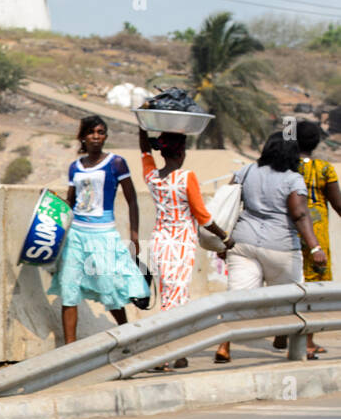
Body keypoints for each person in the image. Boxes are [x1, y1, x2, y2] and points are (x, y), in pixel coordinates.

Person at [214, 130, 327, 363]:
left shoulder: (246, 171)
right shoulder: (292, 178)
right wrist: (315, 248)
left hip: (243, 242)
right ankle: (289, 341)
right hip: (281, 247)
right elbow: (299, 214)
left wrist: (222, 240)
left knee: (237, 297)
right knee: (291, 297)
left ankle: (224, 346)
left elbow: (229, 200)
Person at [137, 127, 234, 369]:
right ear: (181, 153)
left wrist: (142, 125)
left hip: (159, 243)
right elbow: (203, 216)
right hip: (180, 245)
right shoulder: (185, 177)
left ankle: (178, 353)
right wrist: (225, 237)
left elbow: (143, 152)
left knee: (170, 296)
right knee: (175, 300)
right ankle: (163, 354)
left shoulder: (152, 177)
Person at [49, 115, 147, 344]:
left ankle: (130, 338)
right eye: (91, 132)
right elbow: (71, 203)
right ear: (83, 136)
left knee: (108, 289)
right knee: (69, 288)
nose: (96, 136)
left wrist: (134, 234)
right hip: (76, 234)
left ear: (105, 136)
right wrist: (52, 202)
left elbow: (132, 200)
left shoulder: (116, 163)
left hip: (103, 233)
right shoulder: (75, 167)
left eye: (101, 132)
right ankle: (69, 351)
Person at [295, 120, 340, 357]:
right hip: (317, 237)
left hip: (291, 232)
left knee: (292, 284)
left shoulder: (288, 167)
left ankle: (286, 333)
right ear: (317, 142)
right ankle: (308, 343)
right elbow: (338, 204)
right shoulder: (325, 169)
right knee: (314, 289)